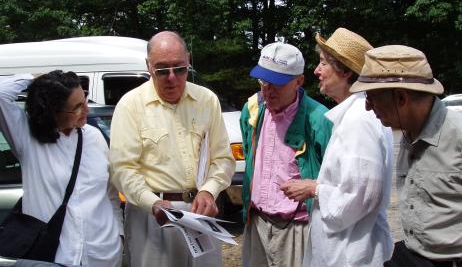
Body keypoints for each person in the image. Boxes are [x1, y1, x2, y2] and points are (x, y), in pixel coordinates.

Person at [109, 31, 235, 267]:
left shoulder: (207, 100)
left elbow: (223, 159)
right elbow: (122, 169)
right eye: (162, 70)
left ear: (188, 60)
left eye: (179, 69)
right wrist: (152, 202)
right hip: (152, 215)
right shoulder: (130, 105)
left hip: (200, 214)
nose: (171, 78)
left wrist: (209, 190)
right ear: (148, 66)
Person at [282, 28, 394, 266]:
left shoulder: (359, 121)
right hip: (347, 249)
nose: (316, 71)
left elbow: (363, 195)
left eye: (323, 63)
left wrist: (314, 188)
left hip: (353, 254)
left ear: (345, 71)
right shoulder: (353, 115)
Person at [350, 44, 462, 267]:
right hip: (413, 255)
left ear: (401, 97)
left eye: (371, 98)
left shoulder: (457, 136)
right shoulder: (409, 131)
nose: (367, 107)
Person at [0, 71, 123, 267]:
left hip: (104, 254)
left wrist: (119, 234)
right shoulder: (27, 139)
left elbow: (110, 194)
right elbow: (1, 94)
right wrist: (34, 77)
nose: (87, 111)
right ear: (52, 111)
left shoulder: (95, 137)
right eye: (77, 107)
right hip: (54, 258)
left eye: (85, 100)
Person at [239, 42, 332, 267]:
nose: (268, 90)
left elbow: (336, 183)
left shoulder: (320, 119)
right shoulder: (252, 110)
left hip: (298, 230)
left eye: (277, 83)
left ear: (299, 81)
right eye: (263, 81)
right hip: (257, 223)